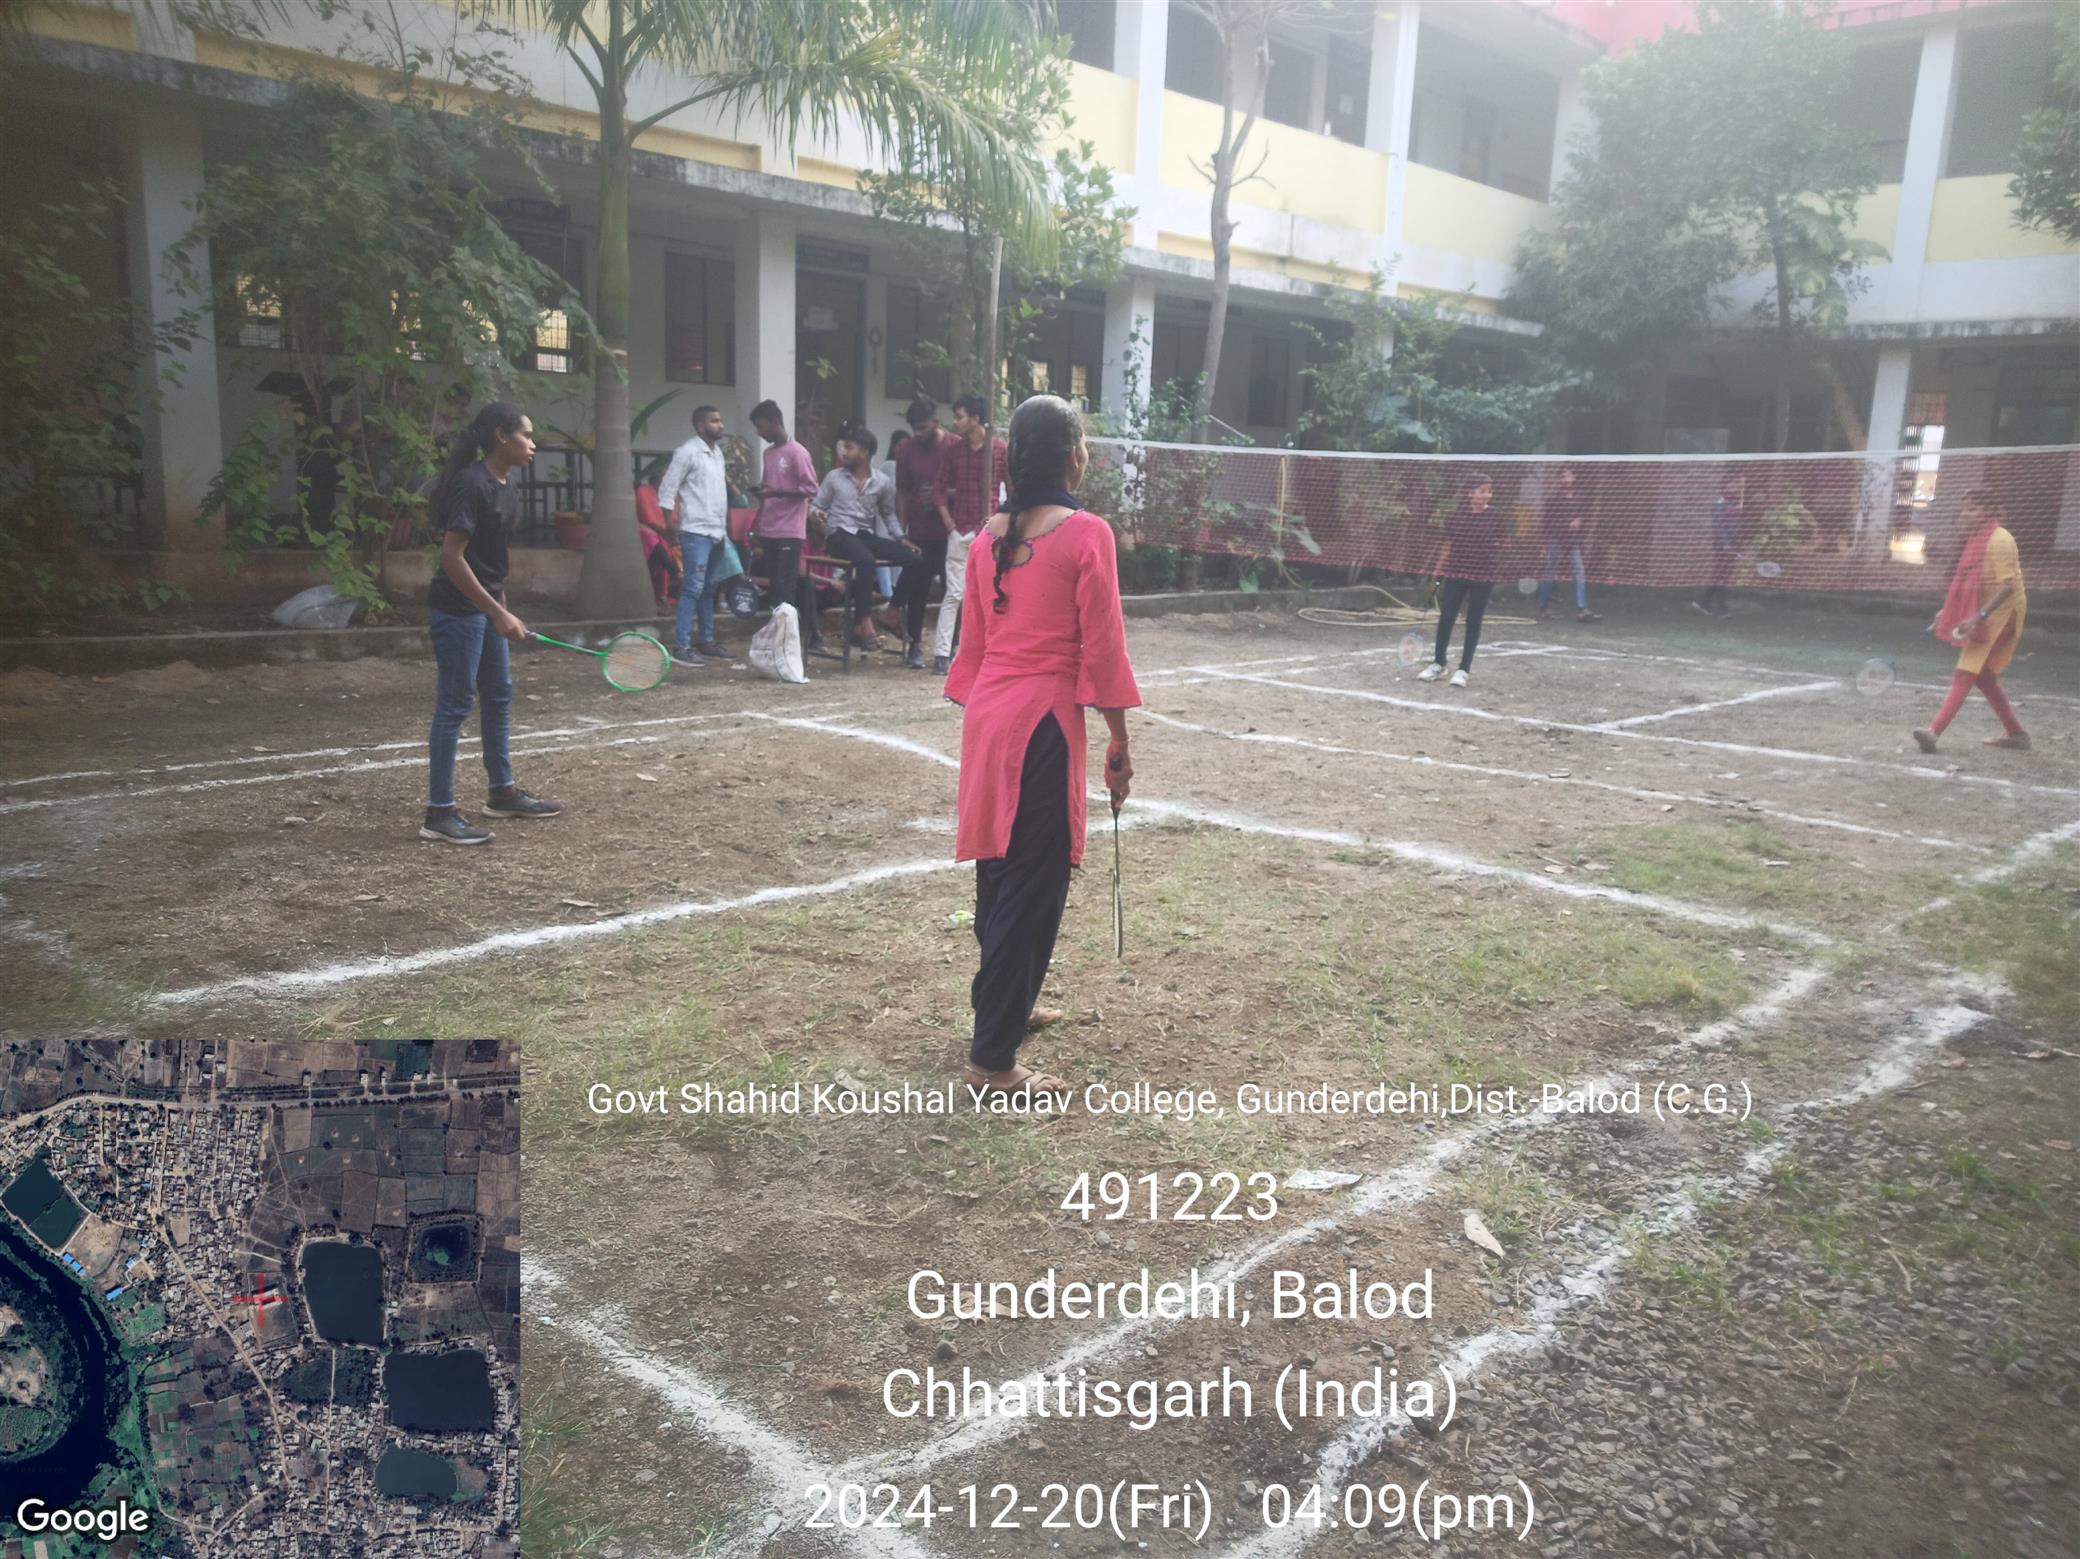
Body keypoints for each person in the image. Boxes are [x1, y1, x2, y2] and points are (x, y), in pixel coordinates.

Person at [945, 394, 1139, 1106]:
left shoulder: (986, 538)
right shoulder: (1086, 534)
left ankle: (1010, 1002)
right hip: (1042, 727)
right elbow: (1104, 647)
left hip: (989, 720)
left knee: (1000, 870)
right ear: (1073, 457)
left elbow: (973, 648)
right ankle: (993, 1063)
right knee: (1033, 881)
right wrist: (1119, 739)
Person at [420, 401, 562, 846]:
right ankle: (439, 814)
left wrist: (504, 609)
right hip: (457, 611)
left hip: (484, 609)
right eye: (526, 435)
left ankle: (502, 793)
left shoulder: (505, 486)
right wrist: (497, 613)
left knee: (498, 696)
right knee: (455, 705)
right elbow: (452, 558)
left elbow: (490, 562)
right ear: (502, 437)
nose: (533, 444)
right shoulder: (471, 484)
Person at [1914, 489, 2031, 754]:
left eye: (1972, 509)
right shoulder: (1975, 538)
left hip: (2005, 611)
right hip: (1989, 610)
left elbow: (2007, 587)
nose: (1965, 514)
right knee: (1984, 677)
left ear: (1988, 511)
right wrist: (1948, 610)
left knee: (1966, 671)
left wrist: (1978, 617)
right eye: (1964, 508)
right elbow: (1970, 583)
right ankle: (2017, 734)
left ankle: (1933, 732)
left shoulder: (2001, 539)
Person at [810, 424, 925, 655]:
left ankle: (892, 612)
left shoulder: (882, 482)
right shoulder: (834, 477)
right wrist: (816, 514)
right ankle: (864, 623)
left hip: (864, 536)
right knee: (865, 560)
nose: (844, 452)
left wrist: (901, 537)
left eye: (849, 448)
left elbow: (888, 514)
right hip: (838, 535)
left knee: (914, 559)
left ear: (864, 452)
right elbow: (815, 505)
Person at [931, 394, 1010, 676]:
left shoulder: (999, 450)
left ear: (975, 419)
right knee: (954, 592)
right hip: (961, 530)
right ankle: (942, 653)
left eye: (960, 417)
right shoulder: (954, 451)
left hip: (989, 531)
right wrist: (949, 524)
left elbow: (1012, 490)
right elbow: (938, 490)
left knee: (989, 592)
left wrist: (1002, 523)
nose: (955, 422)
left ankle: (987, 651)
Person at [657, 404, 731, 663]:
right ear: (701, 426)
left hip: (717, 531)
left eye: (720, 420)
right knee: (692, 588)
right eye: (714, 421)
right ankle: (681, 646)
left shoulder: (718, 453)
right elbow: (667, 489)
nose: (720, 425)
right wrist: (670, 526)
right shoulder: (686, 452)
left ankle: (706, 641)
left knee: (710, 588)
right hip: (695, 530)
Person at [747, 400, 823, 649]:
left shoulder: (797, 452)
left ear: (773, 422)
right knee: (777, 586)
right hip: (769, 528)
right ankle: (803, 633)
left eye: (761, 427)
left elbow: (811, 488)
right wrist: (759, 518)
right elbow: (768, 487)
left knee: (786, 586)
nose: (759, 433)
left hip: (790, 529)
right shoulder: (768, 454)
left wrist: (778, 492)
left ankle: (788, 642)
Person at [1420, 473, 1504, 689]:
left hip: (1483, 576)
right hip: (1456, 574)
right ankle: (1439, 663)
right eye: (1482, 491)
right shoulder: (1455, 517)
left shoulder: (1496, 516)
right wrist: (1436, 576)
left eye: (1489, 491)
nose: (1487, 495)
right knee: (1446, 618)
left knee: (1473, 622)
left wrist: (1488, 547)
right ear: (1470, 493)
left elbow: (1504, 544)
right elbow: (1446, 548)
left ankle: (1463, 669)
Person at [892, 396, 951, 666]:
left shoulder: (954, 446)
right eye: (914, 428)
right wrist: (901, 530)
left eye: (923, 427)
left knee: (952, 590)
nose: (918, 433)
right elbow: (902, 491)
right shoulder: (906, 450)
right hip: (919, 530)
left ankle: (949, 647)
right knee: (918, 588)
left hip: (950, 529)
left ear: (935, 422)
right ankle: (915, 644)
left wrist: (942, 495)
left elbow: (966, 487)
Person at [1537, 466, 1599, 623]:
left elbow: (1584, 515)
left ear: (1574, 478)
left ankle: (1582, 610)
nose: (1566, 480)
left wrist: (1580, 520)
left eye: (1569, 476)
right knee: (1549, 572)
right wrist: (1545, 543)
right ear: (1558, 480)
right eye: (1563, 477)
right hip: (1557, 540)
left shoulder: (1580, 497)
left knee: (1580, 571)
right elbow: (1547, 523)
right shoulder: (1553, 499)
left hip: (1573, 542)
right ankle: (1544, 608)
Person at [1695, 473, 1745, 617]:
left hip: (1733, 544)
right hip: (1722, 545)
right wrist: (1725, 544)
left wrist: (1738, 545)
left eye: (1737, 485)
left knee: (1723, 575)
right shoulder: (1719, 505)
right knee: (1721, 575)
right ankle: (1722, 609)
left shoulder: (1735, 504)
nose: (1736, 488)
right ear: (1725, 487)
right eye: (1732, 485)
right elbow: (1718, 526)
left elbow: (1737, 526)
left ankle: (1702, 602)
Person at [875, 429, 913, 610]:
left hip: (902, 517)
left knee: (899, 555)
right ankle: (888, 593)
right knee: (884, 555)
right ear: (893, 446)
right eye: (899, 446)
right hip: (887, 516)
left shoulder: (908, 469)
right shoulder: (888, 466)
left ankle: (895, 593)